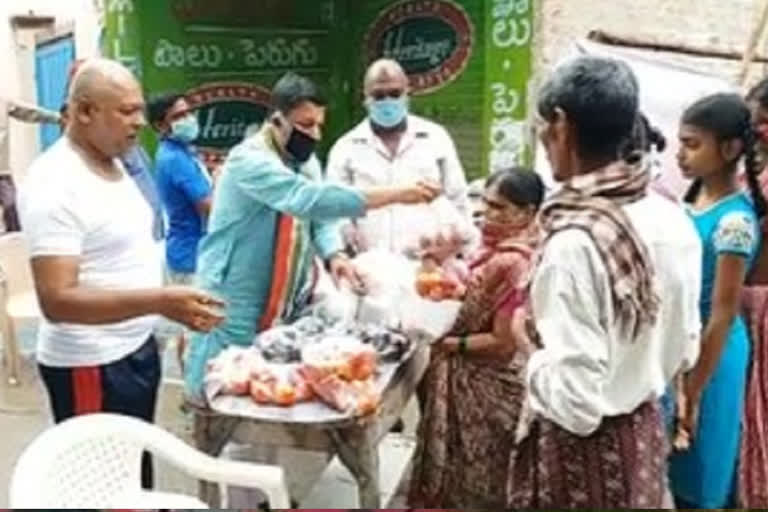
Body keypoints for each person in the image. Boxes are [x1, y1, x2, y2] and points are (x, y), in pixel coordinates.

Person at [17, 58, 224, 489]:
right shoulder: (56, 182)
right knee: (99, 488)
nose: (139, 122)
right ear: (85, 111)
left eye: (139, 110)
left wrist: (160, 306)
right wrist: (160, 300)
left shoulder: (120, 162)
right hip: (91, 363)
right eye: (125, 111)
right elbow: (58, 301)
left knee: (131, 477)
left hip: (133, 348)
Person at [508, 56, 702, 508]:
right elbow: (685, 348)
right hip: (643, 433)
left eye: (543, 125)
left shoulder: (573, 243)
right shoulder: (673, 219)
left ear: (560, 125)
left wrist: (528, 351)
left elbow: (577, 406)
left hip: (583, 455)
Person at [184, 72, 441, 403]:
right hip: (234, 293)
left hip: (287, 295)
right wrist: (397, 194)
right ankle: (203, 448)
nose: (315, 134)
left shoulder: (304, 163)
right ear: (276, 120)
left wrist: (335, 256)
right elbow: (307, 199)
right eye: (306, 124)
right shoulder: (248, 160)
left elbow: (319, 219)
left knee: (269, 385)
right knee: (220, 386)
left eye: (319, 124)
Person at [408, 167, 542, 508]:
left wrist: (448, 345)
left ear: (527, 213)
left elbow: (502, 343)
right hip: (464, 374)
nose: (487, 215)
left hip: (490, 384)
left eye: (499, 208)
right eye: (485, 205)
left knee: (483, 476)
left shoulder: (514, 262)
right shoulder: (490, 250)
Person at [666, 93, 766, 509]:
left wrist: (693, 388)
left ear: (729, 149)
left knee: (700, 472)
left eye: (693, 144)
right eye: (681, 143)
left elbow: (723, 315)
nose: (681, 155)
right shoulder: (691, 204)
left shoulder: (735, 222)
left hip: (712, 353)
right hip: (681, 345)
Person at [327, 59, 472, 255]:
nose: (387, 102)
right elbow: (335, 208)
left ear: (407, 93)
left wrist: (462, 251)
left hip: (429, 265)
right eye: (379, 95)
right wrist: (345, 248)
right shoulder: (345, 148)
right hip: (370, 266)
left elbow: (458, 198)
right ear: (366, 98)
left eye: (395, 94)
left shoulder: (436, 138)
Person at [148, 93, 212, 282]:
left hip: (190, 254)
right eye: (178, 116)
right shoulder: (175, 159)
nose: (188, 119)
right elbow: (208, 207)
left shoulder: (181, 152)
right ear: (160, 126)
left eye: (189, 113)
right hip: (191, 259)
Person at [0, 98, 61, 232]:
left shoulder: (3, 102)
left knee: (12, 208)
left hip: (2, 174)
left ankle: (15, 243)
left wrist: (57, 118)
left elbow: (29, 112)